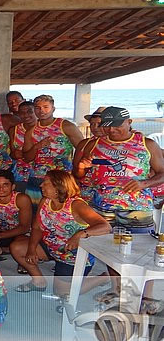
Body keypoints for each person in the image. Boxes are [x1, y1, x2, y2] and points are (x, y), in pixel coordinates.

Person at [73, 107, 164, 302]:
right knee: (110, 250)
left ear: (129, 122)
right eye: (107, 126)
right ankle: (116, 289)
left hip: (136, 208)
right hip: (103, 207)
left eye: (117, 125)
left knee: (142, 253)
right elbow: (80, 175)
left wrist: (143, 183)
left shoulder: (146, 144)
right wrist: (82, 168)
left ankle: (146, 297)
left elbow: (162, 172)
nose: (112, 130)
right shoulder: (94, 144)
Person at [10, 170, 111, 295]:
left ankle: (103, 278)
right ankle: (38, 282)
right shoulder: (45, 201)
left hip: (73, 255)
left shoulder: (76, 205)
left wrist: (80, 234)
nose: (41, 185)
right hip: (52, 247)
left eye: (45, 183)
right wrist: (31, 249)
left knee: (63, 293)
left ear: (58, 186)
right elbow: (36, 228)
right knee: (17, 247)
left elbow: (105, 226)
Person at [23, 95, 83, 198]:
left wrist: (77, 172)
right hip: (37, 177)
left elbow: (82, 149)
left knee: (60, 210)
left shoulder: (66, 126)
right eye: (37, 107)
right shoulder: (30, 131)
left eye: (46, 107)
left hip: (61, 179)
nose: (41, 110)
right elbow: (27, 158)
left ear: (53, 109)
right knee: (36, 211)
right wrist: (37, 146)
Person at [72, 107, 107, 201]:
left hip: (109, 196)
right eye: (92, 124)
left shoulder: (120, 145)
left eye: (99, 124)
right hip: (85, 194)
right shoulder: (84, 144)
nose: (94, 127)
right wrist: (81, 168)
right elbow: (75, 173)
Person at [9, 101, 37, 195]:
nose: (26, 115)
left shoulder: (44, 129)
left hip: (41, 174)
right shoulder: (14, 130)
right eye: (22, 113)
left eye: (30, 111)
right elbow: (12, 153)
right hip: (20, 175)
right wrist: (15, 154)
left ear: (36, 112)